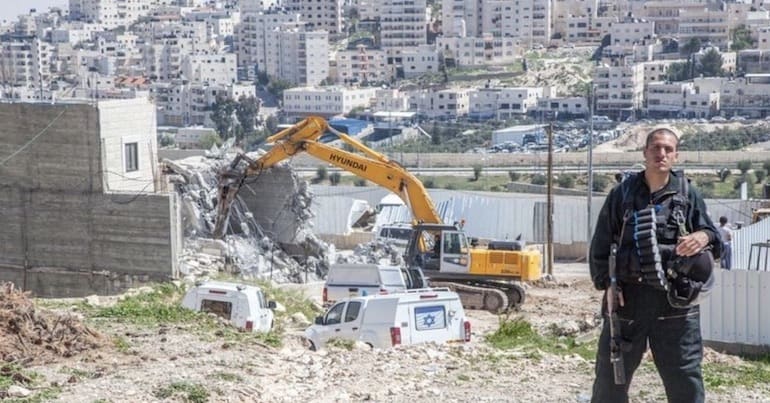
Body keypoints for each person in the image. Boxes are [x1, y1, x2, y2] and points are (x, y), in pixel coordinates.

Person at [589, 126, 723, 402]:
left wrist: (702, 236)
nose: (661, 154)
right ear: (645, 153)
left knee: (685, 380)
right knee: (610, 381)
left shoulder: (687, 194)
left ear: (676, 155)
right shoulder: (623, 195)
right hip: (628, 301)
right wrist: (607, 286)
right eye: (655, 148)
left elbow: (715, 240)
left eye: (668, 149)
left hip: (675, 304)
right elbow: (601, 245)